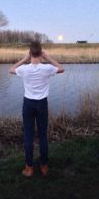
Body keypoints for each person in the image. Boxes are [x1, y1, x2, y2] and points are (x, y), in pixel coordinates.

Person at [9, 41, 65, 177]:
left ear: (30, 53)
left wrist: (24, 59)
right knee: (42, 136)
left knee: (28, 136)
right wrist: (47, 57)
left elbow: (11, 69)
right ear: (40, 53)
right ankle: (44, 166)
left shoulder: (24, 69)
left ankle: (29, 168)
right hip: (42, 104)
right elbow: (61, 68)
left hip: (28, 104)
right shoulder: (47, 68)